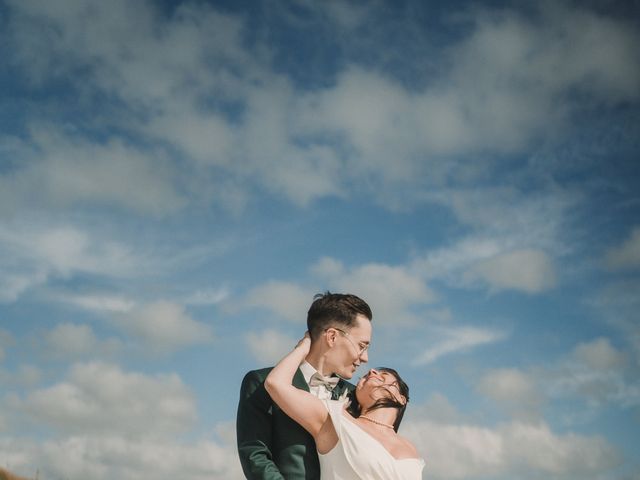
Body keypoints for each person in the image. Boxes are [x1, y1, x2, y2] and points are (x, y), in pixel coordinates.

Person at [237, 292, 373, 479]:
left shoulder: (355, 396)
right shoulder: (260, 381)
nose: (365, 357)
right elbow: (255, 454)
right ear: (332, 337)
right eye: (362, 346)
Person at [265, 333, 424, 479]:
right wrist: (304, 346)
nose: (371, 372)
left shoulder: (410, 447)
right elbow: (275, 383)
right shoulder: (334, 419)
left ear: (401, 398)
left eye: (383, 376)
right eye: (364, 376)